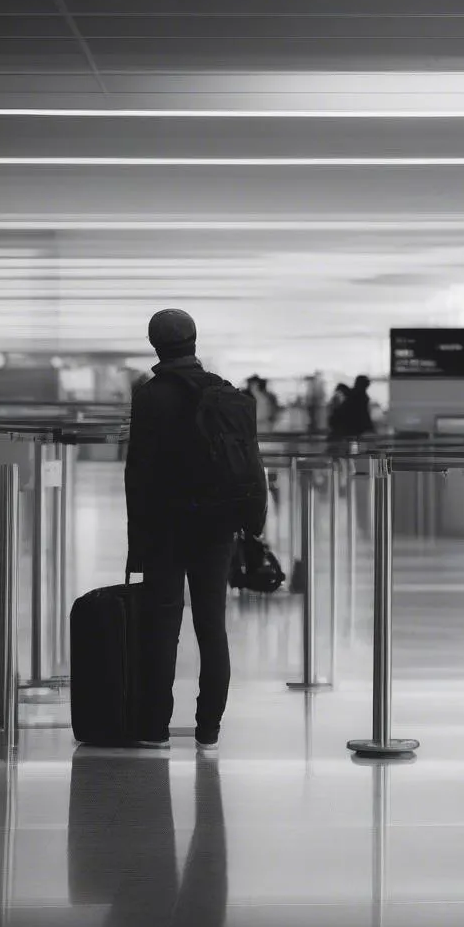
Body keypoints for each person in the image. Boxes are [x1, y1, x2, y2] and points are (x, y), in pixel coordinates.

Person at [125, 309, 265, 755]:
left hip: (166, 526)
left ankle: (155, 728)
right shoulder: (225, 394)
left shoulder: (149, 397)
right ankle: (209, 730)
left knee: (162, 625)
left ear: (155, 345)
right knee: (212, 626)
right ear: (194, 340)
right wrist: (252, 524)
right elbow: (252, 460)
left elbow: (139, 471)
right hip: (218, 525)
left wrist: (137, 541)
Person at [333, 374, 376, 438]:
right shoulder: (360, 396)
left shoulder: (356, 395)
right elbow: (363, 414)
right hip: (353, 428)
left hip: (350, 428)